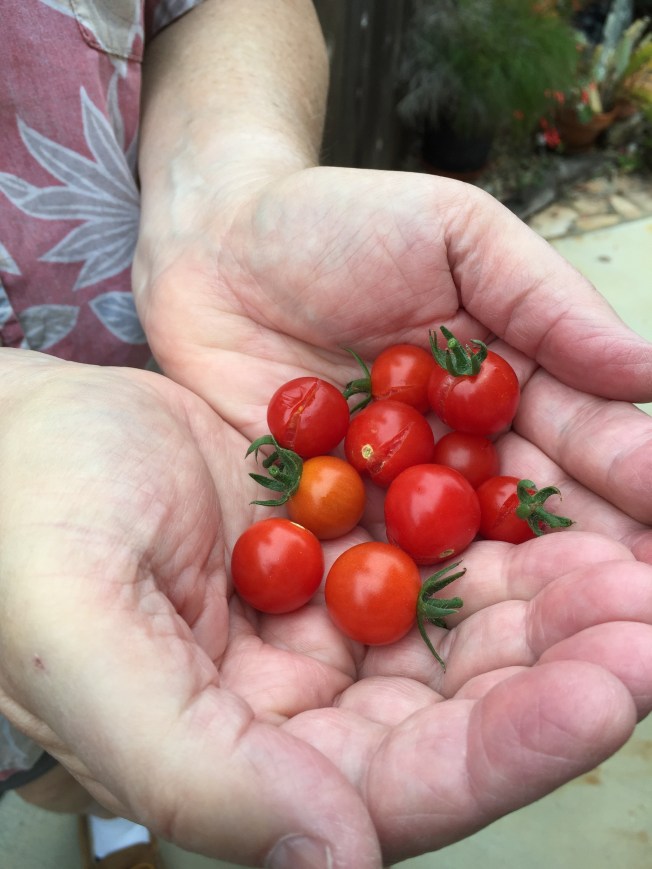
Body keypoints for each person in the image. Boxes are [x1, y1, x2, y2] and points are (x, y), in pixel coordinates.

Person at [2, 2, 652, 868]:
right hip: (120, 456)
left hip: (180, 356)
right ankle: (88, 794)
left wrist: (228, 192)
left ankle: (104, 807)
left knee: (82, 733)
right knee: (57, 727)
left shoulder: (370, 440)